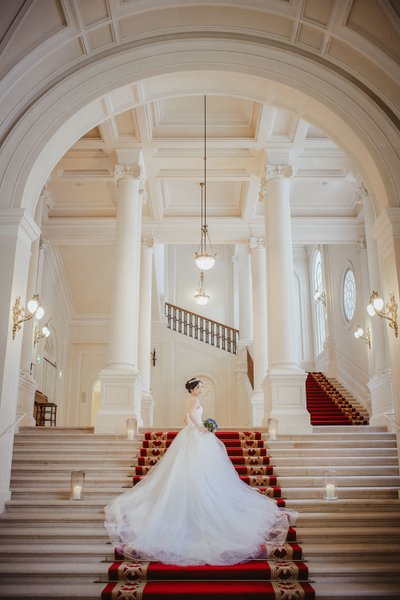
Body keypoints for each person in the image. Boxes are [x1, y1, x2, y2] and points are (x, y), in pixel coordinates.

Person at [104, 377, 297, 566]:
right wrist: (201, 427)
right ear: (193, 388)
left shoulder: (190, 400)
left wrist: (198, 425)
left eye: (202, 386)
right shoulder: (194, 400)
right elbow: (188, 417)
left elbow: (184, 418)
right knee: (197, 470)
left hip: (191, 434)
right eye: (199, 386)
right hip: (195, 435)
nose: (201, 389)